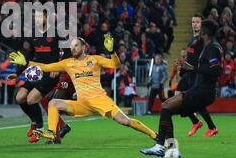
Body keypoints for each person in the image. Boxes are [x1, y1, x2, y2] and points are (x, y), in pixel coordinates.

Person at [9, 34, 157, 142]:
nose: (73, 48)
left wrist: (112, 52)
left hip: (100, 100)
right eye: (71, 46)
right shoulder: (67, 63)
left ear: (84, 47)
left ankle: (154, 135)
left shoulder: (95, 59)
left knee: (126, 122)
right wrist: (27, 63)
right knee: (53, 103)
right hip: (82, 103)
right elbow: (46, 67)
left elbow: (116, 65)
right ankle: (53, 133)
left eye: (76, 45)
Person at [140, 20, 223, 158]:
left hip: (203, 91)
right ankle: (171, 149)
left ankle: (162, 147)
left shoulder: (212, 48)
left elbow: (216, 70)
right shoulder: (211, 47)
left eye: (201, 28)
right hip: (202, 90)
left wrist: (193, 68)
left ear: (204, 32)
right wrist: (190, 68)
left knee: (166, 105)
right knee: (167, 109)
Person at [13, 10, 67, 143]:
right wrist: (17, 72)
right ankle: (34, 122)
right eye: (35, 17)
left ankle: (40, 128)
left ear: (46, 17)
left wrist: (58, 67)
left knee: (31, 99)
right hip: (37, 71)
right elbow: (29, 55)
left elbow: (67, 52)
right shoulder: (33, 33)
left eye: (39, 16)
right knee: (20, 97)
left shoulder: (56, 32)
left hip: (51, 73)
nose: (36, 19)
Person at [174, 14, 218, 137]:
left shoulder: (203, 40)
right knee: (178, 96)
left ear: (202, 24)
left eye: (197, 22)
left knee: (194, 102)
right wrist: (183, 67)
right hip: (188, 73)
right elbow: (191, 56)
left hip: (196, 74)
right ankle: (197, 122)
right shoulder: (191, 39)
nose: (195, 24)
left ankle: (209, 126)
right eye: (193, 22)